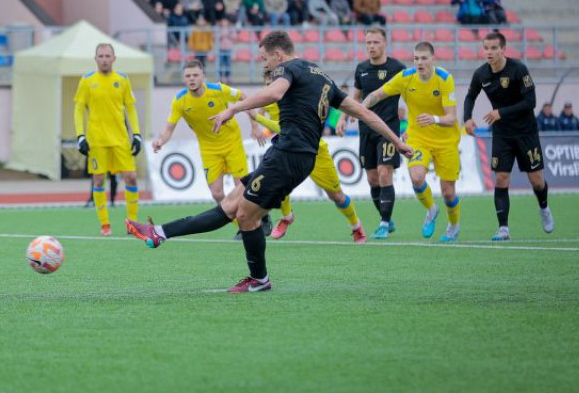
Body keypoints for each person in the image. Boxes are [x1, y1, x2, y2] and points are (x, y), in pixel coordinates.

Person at [126, 31, 412, 293]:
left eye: (264, 58)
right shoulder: (322, 77)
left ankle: (259, 279)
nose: (263, 64)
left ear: (278, 55)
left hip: (289, 155)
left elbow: (274, 93)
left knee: (244, 216)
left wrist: (234, 108)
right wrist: (397, 141)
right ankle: (160, 232)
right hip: (289, 154)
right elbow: (365, 113)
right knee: (231, 205)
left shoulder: (288, 68)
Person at [362, 42, 462, 242]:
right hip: (417, 138)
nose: (419, 62)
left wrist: (434, 119)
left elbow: (451, 117)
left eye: (424, 58)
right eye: (416, 58)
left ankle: (453, 225)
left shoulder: (444, 79)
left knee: (448, 192)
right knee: (417, 178)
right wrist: (362, 107)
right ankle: (432, 209)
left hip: (446, 140)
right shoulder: (406, 77)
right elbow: (378, 94)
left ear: (433, 59)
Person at [256, 70, 368, 244]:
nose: (272, 84)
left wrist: (257, 118)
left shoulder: (296, 94)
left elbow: (285, 127)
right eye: (269, 81)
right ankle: (287, 217)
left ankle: (355, 225)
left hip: (311, 147)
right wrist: (257, 128)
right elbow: (260, 114)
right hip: (286, 148)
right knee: (277, 184)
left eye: (275, 80)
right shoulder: (266, 95)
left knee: (336, 195)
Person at [463, 32, 555, 241]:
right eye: (486, 48)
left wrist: (501, 112)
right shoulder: (481, 74)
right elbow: (470, 96)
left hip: (526, 132)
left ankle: (544, 207)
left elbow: (530, 102)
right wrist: (467, 118)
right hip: (502, 134)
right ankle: (503, 228)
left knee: (537, 180)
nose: (490, 52)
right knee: (502, 178)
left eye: (494, 48)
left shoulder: (518, 69)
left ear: (503, 49)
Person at [153, 60, 265, 206]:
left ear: (203, 76)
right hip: (208, 148)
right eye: (188, 76)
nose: (191, 79)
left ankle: (251, 222)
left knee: (241, 189)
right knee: (217, 194)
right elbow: (169, 128)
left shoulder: (218, 90)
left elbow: (244, 97)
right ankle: (239, 221)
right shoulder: (180, 101)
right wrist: (160, 141)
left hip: (232, 142)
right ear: (183, 78)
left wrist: (254, 125)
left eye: (195, 75)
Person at [336, 28, 406, 239]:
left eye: (375, 42)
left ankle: (384, 222)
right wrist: (341, 118)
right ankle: (387, 218)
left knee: (385, 173)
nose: (371, 47)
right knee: (372, 179)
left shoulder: (397, 68)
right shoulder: (362, 69)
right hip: (366, 130)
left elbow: (411, 96)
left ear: (385, 44)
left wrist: (409, 125)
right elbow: (353, 98)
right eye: (368, 43)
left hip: (389, 130)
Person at [74, 43, 143, 237]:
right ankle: (105, 225)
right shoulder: (87, 81)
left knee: (130, 176)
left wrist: (136, 134)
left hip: (120, 139)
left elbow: (130, 107)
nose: (104, 59)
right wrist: (80, 136)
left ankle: (133, 223)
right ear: (95, 59)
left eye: (107, 56)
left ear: (114, 59)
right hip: (97, 140)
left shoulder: (122, 79)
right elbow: (79, 109)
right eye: (101, 56)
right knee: (98, 179)